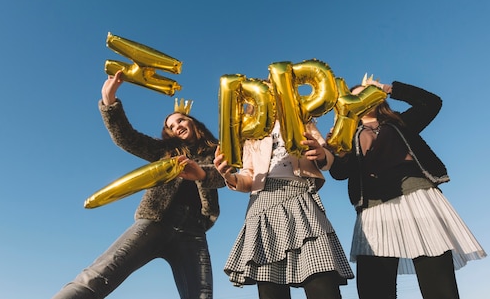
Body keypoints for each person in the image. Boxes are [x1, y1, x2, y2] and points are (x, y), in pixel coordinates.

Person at [51, 70, 225, 299]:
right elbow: (127, 138)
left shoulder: (218, 152)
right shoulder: (165, 151)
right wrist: (109, 101)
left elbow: (225, 178)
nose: (177, 126)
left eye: (180, 120)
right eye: (171, 126)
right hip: (156, 221)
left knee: (202, 296)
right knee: (101, 273)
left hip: (194, 230)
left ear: (193, 122)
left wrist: (202, 172)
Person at [328, 77, 486, 299]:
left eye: (367, 93)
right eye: (355, 96)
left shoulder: (400, 123)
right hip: (374, 209)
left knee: (439, 288)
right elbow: (339, 173)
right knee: (375, 290)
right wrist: (336, 150)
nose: (361, 99)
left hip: (419, 200)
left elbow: (431, 103)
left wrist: (386, 88)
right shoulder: (347, 136)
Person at [213, 118, 354, 299]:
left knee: (322, 280)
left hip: (300, 198)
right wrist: (228, 176)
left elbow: (325, 156)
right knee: (271, 290)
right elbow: (247, 177)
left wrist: (322, 154)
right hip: (262, 205)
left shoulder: (302, 119)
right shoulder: (250, 131)